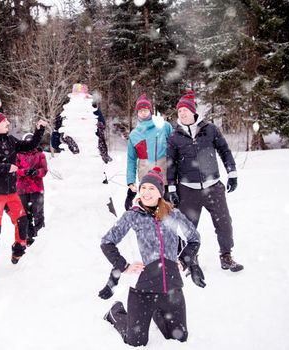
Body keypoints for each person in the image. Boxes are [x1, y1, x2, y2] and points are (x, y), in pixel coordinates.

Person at [98, 167, 205, 347]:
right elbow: (107, 242)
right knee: (136, 342)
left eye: (151, 188)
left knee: (180, 339)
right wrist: (124, 266)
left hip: (171, 289)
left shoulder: (173, 214)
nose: (146, 192)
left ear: (160, 192)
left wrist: (184, 260)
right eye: (143, 188)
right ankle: (116, 313)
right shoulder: (131, 216)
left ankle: (157, 312)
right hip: (142, 290)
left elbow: (195, 238)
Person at [166, 90, 243, 272]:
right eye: (179, 111)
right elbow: (170, 164)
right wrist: (171, 187)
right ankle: (192, 259)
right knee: (188, 228)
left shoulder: (210, 129)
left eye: (185, 109)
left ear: (193, 111)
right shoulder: (174, 137)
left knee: (224, 223)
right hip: (188, 190)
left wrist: (232, 173)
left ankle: (226, 256)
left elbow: (224, 150)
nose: (182, 113)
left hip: (213, 187)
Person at [0, 105, 47, 283]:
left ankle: (18, 250)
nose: (8, 122)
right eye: (4, 121)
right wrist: (6, 167)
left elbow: (29, 145)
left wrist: (39, 131)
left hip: (11, 193)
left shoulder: (9, 140)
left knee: (22, 222)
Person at [125, 94, 173, 210]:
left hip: (165, 179)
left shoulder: (164, 126)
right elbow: (131, 159)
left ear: (150, 111)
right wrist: (130, 181)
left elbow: (176, 150)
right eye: (140, 110)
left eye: (145, 110)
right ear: (137, 112)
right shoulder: (134, 134)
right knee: (149, 215)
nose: (143, 112)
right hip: (146, 181)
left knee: (167, 215)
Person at [16, 133, 48, 246]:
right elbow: (15, 169)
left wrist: (36, 172)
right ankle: (28, 237)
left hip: (36, 188)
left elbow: (44, 170)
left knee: (38, 213)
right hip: (22, 189)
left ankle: (40, 235)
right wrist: (24, 172)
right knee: (25, 214)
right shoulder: (18, 154)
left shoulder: (40, 154)